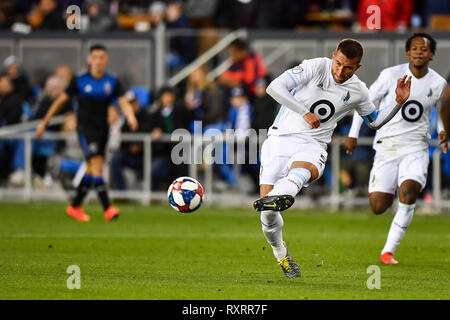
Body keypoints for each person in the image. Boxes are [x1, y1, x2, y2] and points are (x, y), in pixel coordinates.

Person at [252, 39, 412, 278]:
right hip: (279, 140)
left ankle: (283, 194)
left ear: (357, 67)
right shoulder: (315, 66)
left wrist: (398, 103)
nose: (340, 71)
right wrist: (304, 112)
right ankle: (280, 252)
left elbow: (375, 122)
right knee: (267, 215)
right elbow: (274, 87)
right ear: (333, 56)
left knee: (303, 170)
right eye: (337, 63)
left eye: (347, 67)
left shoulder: (359, 91)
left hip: (313, 144)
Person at [344, 33, 448, 264]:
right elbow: (365, 103)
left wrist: (442, 131)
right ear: (408, 52)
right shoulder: (390, 75)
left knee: (409, 191)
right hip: (386, 146)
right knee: (378, 206)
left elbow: (440, 112)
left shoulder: (438, 83)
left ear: (431, 54)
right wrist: (352, 134)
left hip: (416, 147)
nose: (420, 52)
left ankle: (388, 251)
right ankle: (388, 196)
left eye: (424, 49)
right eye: (415, 48)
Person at [35, 44, 138, 222]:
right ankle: (108, 208)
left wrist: (130, 117)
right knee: (97, 165)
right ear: (89, 59)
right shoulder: (80, 80)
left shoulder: (112, 81)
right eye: (95, 57)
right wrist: (44, 123)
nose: (98, 61)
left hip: (103, 129)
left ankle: (75, 206)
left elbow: (122, 101)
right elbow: (60, 101)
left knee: (91, 169)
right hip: (85, 129)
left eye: (101, 57)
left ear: (106, 59)